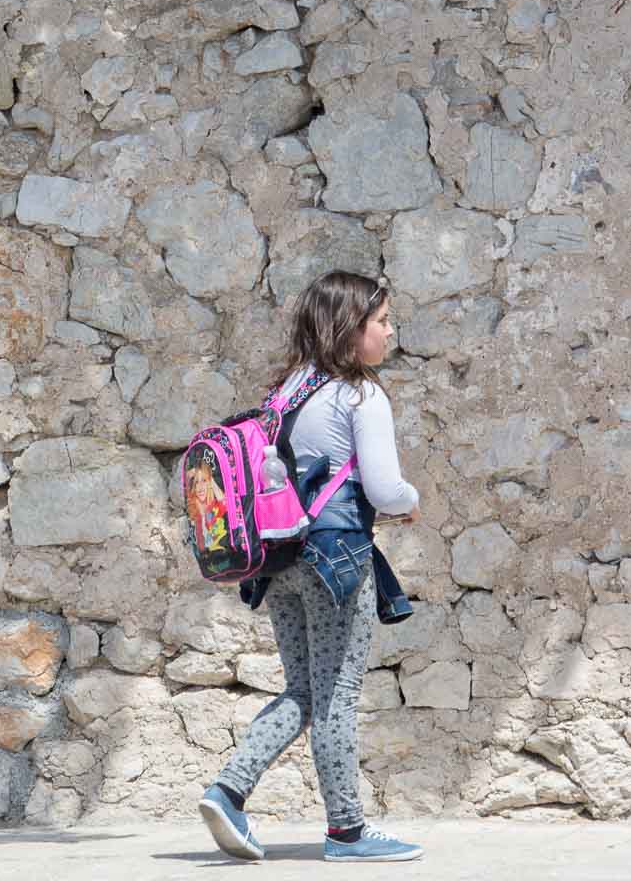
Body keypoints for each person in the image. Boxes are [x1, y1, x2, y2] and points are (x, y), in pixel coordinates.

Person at [197, 270, 425, 864]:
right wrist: (410, 501)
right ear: (350, 328)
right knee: (337, 694)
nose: (390, 331)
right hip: (337, 562)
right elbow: (383, 487)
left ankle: (227, 792)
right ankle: (347, 832)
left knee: (303, 690)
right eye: (381, 321)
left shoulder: (287, 391)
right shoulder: (361, 395)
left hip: (280, 560)